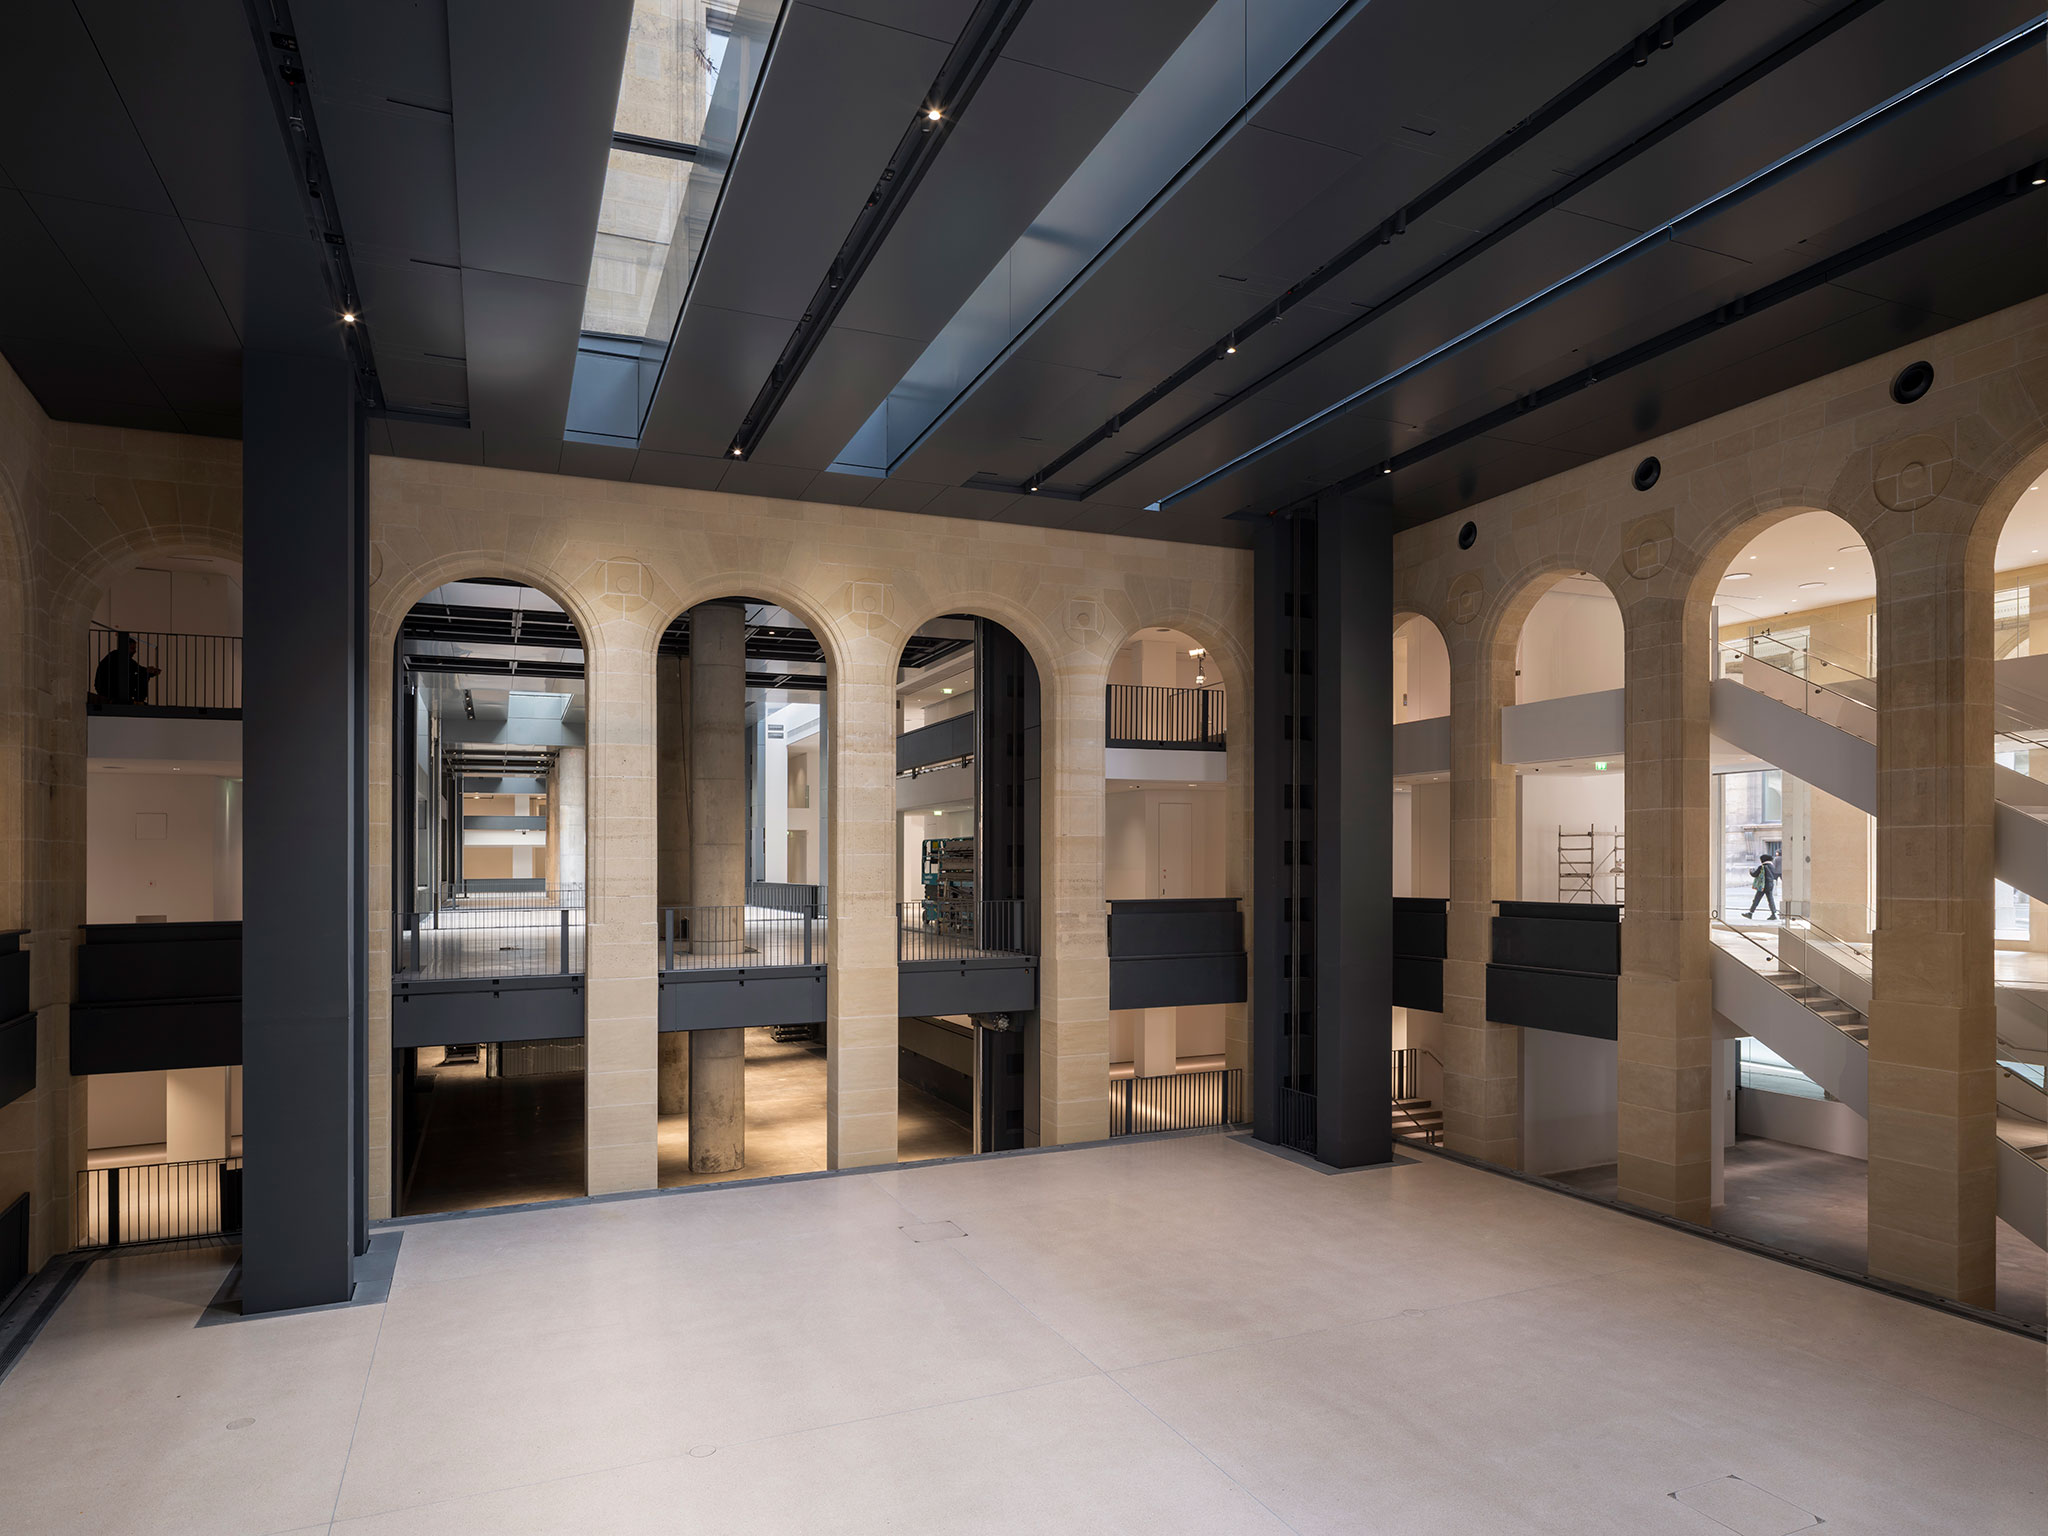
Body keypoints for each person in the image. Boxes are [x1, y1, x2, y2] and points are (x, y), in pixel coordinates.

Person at [90, 632, 157, 705]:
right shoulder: (118, 656)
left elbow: (137, 668)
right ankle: (139, 700)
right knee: (142, 676)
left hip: (109, 687)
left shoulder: (117, 656)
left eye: (135, 649)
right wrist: (148, 671)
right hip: (109, 688)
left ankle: (138, 700)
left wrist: (149, 672)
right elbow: (138, 669)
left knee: (142, 675)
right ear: (125, 648)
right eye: (132, 648)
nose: (134, 651)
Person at [1745, 853, 1779, 920]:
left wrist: (1751, 871)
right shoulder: (1772, 866)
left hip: (1763, 885)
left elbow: (1755, 874)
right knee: (1770, 899)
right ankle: (1773, 914)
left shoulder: (1762, 867)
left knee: (1757, 899)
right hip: (1770, 885)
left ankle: (1750, 913)